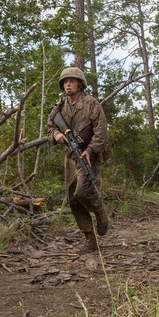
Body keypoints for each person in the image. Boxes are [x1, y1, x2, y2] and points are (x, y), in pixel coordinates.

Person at [48, 67, 109, 252]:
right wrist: (56, 135)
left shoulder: (91, 104)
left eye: (72, 81)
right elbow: (50, 127)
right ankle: (90, 238)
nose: (68, 84)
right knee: (73, 200)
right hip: (71, 157)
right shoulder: (58, 108)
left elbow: (101, 132)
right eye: (65, 82)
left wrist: (90, 150)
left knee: (83, 192)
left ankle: (99, 211)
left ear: (80, 84)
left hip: (90, 156)